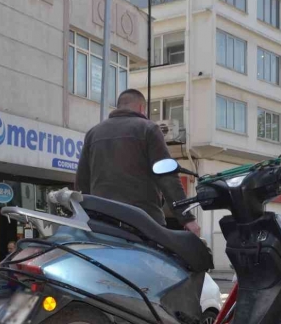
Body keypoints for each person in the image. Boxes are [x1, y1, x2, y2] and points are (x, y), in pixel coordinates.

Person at [76, 88, 201, 237]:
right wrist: (187, 218)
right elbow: (167, 176)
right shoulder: (148, 129)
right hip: (143, 222)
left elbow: (82, 182)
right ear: (142, 108)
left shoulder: (93, 133)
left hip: (103, 223)